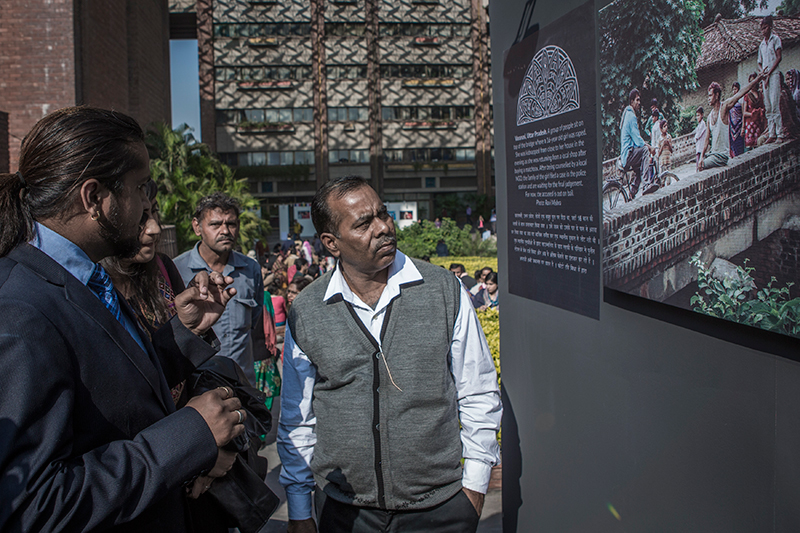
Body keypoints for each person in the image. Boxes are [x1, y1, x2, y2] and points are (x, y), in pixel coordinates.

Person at [0, 106, 246, 532]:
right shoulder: (19, 310)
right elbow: (35, 505)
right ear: (95, 198)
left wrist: (179, 336)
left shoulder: (86, 276)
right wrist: (189, 433)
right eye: (140, 187)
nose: (148, 207)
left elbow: (107, 395)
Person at [278, 176, 501, 533]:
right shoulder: (308, 310)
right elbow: (297, 416)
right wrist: (300, 506)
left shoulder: (443, 290)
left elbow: (478, 392)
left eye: (383, 214)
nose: (383, 227)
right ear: (331, 243)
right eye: (364, 223)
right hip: (345, 512)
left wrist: (473, 489)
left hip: (440, 509)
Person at [174, 192, 267, 385]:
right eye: (215, 224)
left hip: (242, 386)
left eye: (231, 224)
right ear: (197, 227)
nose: (225, 231)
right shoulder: (176, 270)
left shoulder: (251, 269)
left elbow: (254, 321)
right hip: (196, 389)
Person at [700, 75, 765, 171]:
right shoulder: (709, 117)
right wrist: (701, 156)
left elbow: (741, 93)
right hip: (713, 154)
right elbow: (706, 140)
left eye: (710, 95)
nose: (708, 98)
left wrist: (757, 79)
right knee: (700, 163)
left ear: (717, 95)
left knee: (702, 166)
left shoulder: (724, 107)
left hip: (722, 156)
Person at [619, 88, 657, 197]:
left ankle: (632, 193)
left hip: (627, 153)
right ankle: (646, 185)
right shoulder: (631, 116)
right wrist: (649, 147)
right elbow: (637, 140)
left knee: (642, 167)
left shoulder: (627, 114)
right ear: (632, 101)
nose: (639, 103)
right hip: (628, 154)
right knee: (645, 150)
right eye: (637, 100)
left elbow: (636, 140)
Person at [758, 15, 783, 143]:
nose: (763, 31)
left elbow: (779, 57)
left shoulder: (775, 39)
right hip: (765, 76)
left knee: (774, 104)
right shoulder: (762, 44)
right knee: (767, 106)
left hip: (773, 75)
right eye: (762, 29)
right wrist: (763, 73)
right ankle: (771, 133)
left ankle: (780, 134)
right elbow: (759, 62)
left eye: (765, 28)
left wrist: (769, 73)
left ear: (770, 27)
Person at [743, 72, 767, 149]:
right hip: (750, 124)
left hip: (759, 124)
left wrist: (761, 112)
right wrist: (753, 114)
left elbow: (764, 108)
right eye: (751, 81)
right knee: (750, 146)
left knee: (759, 145)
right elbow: (744, 113)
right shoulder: (747, 96)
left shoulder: (760, 95)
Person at [729, 82, 746, 158]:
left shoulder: (741, 102)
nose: (734, 91)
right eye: (733, 89)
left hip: (739, 128)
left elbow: (743, 115)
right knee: (734, 148)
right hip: (732, 130)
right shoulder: (731, 102)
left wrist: (743, 127)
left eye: (735, 89)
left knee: (740, 147)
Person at [694, 107, 708, 172]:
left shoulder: (702, 124)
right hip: (698, 148)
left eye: (698, 115)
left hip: (701, 148)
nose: (697, 117)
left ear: (702, 115)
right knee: (697, 164)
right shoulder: (699, 125)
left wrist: (695, 138)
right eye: (696, 116)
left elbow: (697, 136)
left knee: (700, 165)